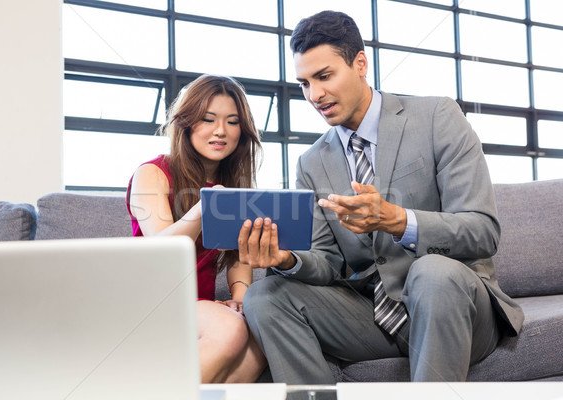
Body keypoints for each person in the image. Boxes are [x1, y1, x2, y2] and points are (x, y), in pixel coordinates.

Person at [238, 10, 524, 397]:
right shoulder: (311, 162)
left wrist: (397, 220)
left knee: (432, 273)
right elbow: (327, 261)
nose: (314, 95)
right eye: (304, 83)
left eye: (324, 76)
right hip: (373, 316)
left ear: (360, 64)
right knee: (265, 295)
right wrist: (287, 260)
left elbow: (482, 231)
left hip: (457, 308)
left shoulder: (437, 116)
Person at [126, 74, 267, 383]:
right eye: (208, 119)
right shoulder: (153, 173)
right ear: (187, 122)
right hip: (150, 302)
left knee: (260, 332)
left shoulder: (234, 183)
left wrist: (240, 297)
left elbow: (237, 255)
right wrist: (207, 204)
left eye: (232, 122)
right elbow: (163, 249)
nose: (221, 131)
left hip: (197, 306)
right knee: (229, 329)